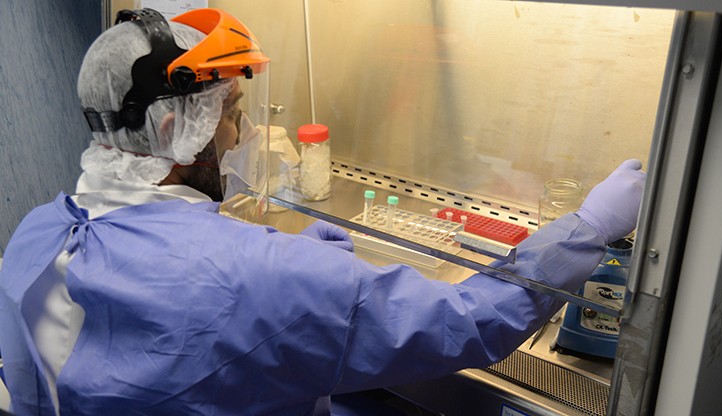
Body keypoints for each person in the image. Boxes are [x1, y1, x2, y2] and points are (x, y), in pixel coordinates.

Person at [0, 7, 646, 416]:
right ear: (175, 129)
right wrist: (587, 228)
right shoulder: (260, 275)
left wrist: (294, 269)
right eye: (229, 114)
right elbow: (470, 321)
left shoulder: (36, 235)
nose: (239, 133)